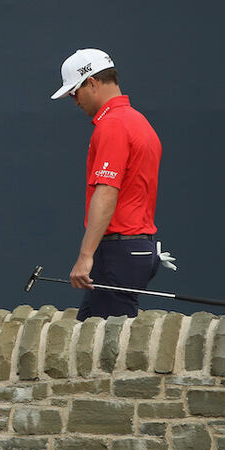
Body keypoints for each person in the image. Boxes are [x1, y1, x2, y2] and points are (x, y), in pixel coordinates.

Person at [50, 49, 163, 320]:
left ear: (92, 82)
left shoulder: (113, 125)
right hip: (133, 249)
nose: (74, 101)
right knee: (88, 341)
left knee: (109, 353)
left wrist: (85, 256)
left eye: (75, 92)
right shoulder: (137, 121)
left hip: (119, 252)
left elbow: (107, 192)